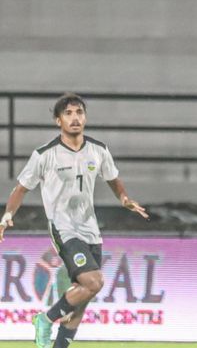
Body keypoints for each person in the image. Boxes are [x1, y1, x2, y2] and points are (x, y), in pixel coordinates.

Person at [0, 93, 149, 348]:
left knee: (82, 299)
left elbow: (113, 178)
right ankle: (45, 320)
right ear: (58, 121)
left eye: (79, 112)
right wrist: (7, 216)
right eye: (68, 114)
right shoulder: (45, 154)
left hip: (91, 230)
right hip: (63, 227)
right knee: (95, 281)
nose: (75, 118)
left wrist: (124, 198)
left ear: (85, 117)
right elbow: (21, 188)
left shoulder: (98, 150)